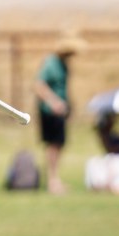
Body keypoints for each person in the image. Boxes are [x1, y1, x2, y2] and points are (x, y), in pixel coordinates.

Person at [33, 33, 86, 195]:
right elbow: (39, 85)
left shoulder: (63, 64)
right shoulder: (51, 63)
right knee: (52, 146)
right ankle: (52, 181)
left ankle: (55, 179)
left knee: (59, 145)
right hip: (50, 112)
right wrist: (54, 102)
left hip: (61, 111)